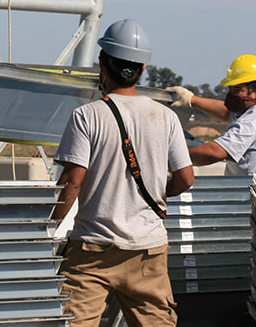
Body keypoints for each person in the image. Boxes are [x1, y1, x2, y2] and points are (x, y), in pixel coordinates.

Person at [53, 19, 194, 326]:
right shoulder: (166, 117)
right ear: (142, 70)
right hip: (148, 250)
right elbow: (185, 178)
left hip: (93, 251)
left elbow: (72, 184)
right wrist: (159, 194)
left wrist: (46, 227)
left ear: (102, 66)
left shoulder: (86, 116)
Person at [166, 54, 256, 175]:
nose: (231, 95)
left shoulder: (252, 122)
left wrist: (171, 160)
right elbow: (226, 113)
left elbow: (214, 152)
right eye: (230, 89)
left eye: (237, 90)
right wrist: (191, 100)